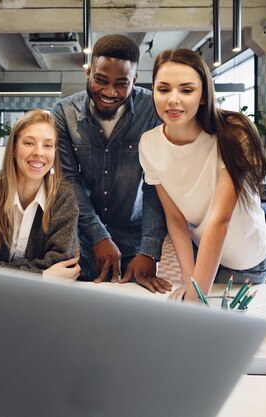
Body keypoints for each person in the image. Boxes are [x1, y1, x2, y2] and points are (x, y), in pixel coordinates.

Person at [139, 49, 266, 303]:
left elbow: (221, 218)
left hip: (246, 259)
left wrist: (197, 292)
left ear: (202, 96)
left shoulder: (234, 132)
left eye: (186, 90)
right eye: (163, 89)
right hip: (205, 254)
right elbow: (175, 218)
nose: (173, 100)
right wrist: (191, 280)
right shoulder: (149, 144)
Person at [51, 34, 171, 292]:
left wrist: (149, 250)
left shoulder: (153, 110)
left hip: (135, 242)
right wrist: (98, 235)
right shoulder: (63, 112)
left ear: (135, 80)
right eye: (100, 80)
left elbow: (155, 184)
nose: (109, 92)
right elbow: (68, 179)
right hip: (81, 239)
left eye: (121, 84)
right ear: (88, 72)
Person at [0, 110, 80, 280]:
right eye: (29, 143)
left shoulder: (64, 197)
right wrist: (41, 275)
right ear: (14, 149)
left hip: (42, 298)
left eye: (48, 145)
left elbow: (61, 263)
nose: (39, 152)